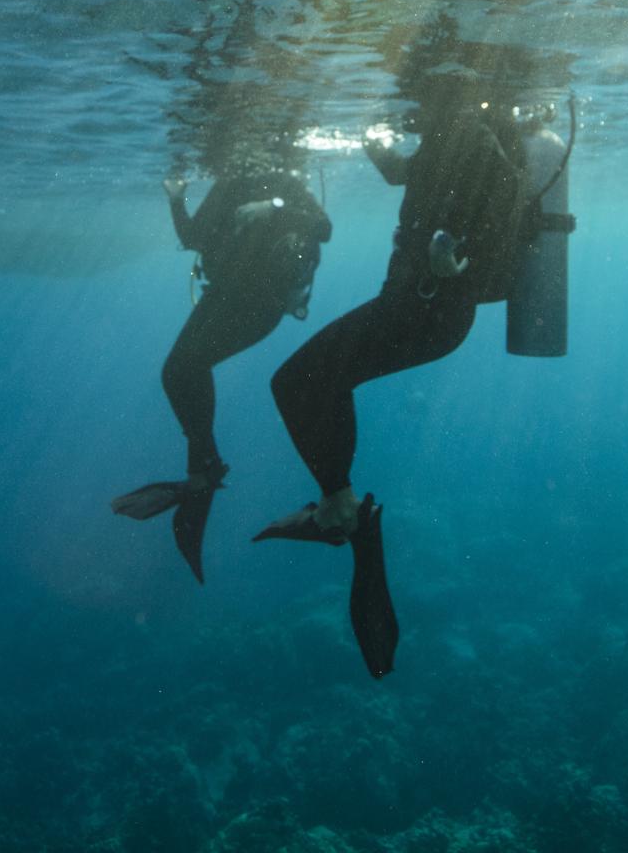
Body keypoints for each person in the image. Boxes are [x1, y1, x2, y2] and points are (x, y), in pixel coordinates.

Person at [254, 88, 557, 678]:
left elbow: (501, 191)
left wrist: (459, 254)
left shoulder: (470, 133)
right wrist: (373, 142)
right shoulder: (449, 135)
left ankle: (342, 512)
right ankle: (341, 510)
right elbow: (405, 173)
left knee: (297, 381)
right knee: (313, 382)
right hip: (421, 309)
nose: (413, 112)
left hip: (426, 311)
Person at [111, 162, 331, 582]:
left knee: (185, 368)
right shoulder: (228, 183)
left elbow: (323, 227)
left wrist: (273, 207)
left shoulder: (284, 178)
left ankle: (203, 471)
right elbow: (193, 237)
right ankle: (202, 471)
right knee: (177, 372)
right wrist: (177, 199)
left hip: (263, 303)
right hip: (224, 295)